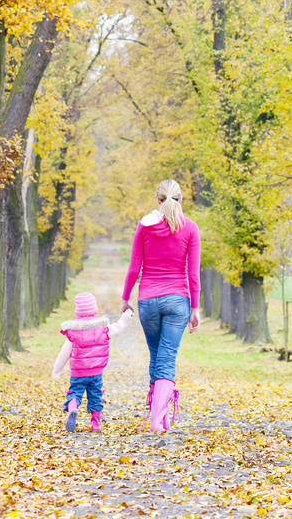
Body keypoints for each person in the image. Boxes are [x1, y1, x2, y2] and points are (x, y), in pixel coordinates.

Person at [121, 179, 201, 433]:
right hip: (178, 301)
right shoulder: (190, 228)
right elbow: (193, 274)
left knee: (157, 357)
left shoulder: (144, 227)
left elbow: (135, 267)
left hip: (147, 301)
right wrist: (196, 309)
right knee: (166, 359)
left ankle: (161, 417)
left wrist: (125, 299)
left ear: (158, 200)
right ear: (181, 200)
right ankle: (157, 420)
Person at [52, 291, 132, 433]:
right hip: (96, 373)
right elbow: (119, 327)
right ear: (94, 309)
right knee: (95, 397)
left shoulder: (74, 331)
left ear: (78, 312)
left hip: (78, 373)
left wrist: (57, 369)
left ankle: (73, 409)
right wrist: (126, 317)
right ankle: (95, 424)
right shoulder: (103, 328)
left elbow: (64, 352)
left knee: (74, 393)